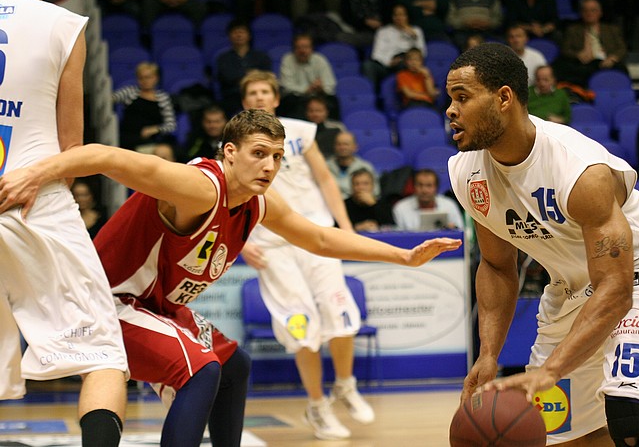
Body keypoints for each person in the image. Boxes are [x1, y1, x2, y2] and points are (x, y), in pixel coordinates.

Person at [0, 109, 461, 446]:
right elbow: (104, 156)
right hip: (108, 299)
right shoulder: (199, 187)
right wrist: (34, 174)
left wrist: (403, 257)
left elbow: (320, 239)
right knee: (201, 369)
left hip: (156, 306)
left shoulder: (258, 202)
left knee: (233, 365)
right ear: (230, 153)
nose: (270, 166)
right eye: (259, 154)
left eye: (276, 156)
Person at [446, 42, 639, 446]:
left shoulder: (578, 169)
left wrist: (552, 369)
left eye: (462, 97)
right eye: (450, 99)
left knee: (632, 421)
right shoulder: (467, 175)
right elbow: (496, 265)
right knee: (565, 438)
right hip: (570, 290)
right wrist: (489, 353)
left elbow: (616, 288)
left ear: (504, 98)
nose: (450, 110)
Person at [0, 0, 129, 446]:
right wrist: (41, 177)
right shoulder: (63, 23)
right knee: (102, 356)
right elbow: (72, 147)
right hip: (35, 199)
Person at [238, 70, 373, 440]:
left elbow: (326, 180)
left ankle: (345, 384)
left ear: (276, 98)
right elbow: (231, 196)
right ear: (245, 101)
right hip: (272, 246)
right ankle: (317, 405)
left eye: (265, 91)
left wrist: (345, 227)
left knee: (340, 312)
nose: (259, 97)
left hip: (316, 235)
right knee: (301, 328)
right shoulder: (234, 142)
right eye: (253, 92)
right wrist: (241, 242)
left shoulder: (299, 131)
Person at [552, 0, 628, 89]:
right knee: (562, 66)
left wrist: (613, 58)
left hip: (606, 62)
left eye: (593, 10)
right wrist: (578, 55)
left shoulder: (611, 30)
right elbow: (565, 50)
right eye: (585, 11)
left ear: (600, 13)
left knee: (621, 68)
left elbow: (622, 48)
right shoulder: (573, 30)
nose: (589, 13)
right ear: (581, 13)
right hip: (584, 65)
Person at [112, 61, 177, 152]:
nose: (144, 81)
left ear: (156, 78)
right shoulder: (130, 92)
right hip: (127, 140)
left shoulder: (163, 98)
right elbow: (111, 99)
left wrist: (154, 129)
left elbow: (171, 125)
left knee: (164, 150)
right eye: (141, 78)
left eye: (148, 77)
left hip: (151, 141)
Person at [215, 19, 272, 117]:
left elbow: (267, 77)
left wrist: (240, 76)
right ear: (229, 36)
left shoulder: (262, 56)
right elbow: (227, 78)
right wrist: (251, 74)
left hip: (256, 94)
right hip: (232, 97)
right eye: (235, 32)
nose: (239, 35)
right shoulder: (223, 58)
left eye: (242, 32)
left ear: (249, 35)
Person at [362, 3, 426, 90]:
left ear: (407, 16)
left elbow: (422, 53)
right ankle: (371, 94)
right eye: (396, 15)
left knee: (404, 63)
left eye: (402, 15)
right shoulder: (383, 31)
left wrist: (413, 37)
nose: (399, 18)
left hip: (406, 64)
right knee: (368, 65)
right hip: (386, 65)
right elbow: (376, 54)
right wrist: (390, 62)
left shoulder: (416, 31)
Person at [278, 33, 338, 120]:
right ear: (294, 49)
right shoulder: (287, 59)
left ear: (312, 48)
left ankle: (332, 125)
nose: (302, 51)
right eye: (299, 47)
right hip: (297, 97)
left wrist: (321, 87)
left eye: (306, 47)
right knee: (288, 100)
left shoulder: (320, 59)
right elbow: (286, 85)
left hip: (318, 94)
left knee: (333, 100)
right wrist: (306, 90)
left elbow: (330, 83)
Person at [392, 169, 464, 230]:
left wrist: (452, 229)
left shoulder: (449, 205)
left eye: (429, 185)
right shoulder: (401, 208)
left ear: (436, 188)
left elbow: (460, 232)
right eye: (420, 185)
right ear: (414, 187)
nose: (424, 190)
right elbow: (398, 237)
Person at [326, 131, 380, 198]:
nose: (342, 147)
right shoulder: (324, 166)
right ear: (334, 147)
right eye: (339, 144)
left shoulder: (366, 167)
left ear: (355, 147)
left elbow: (375, 192)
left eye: (346, 144)